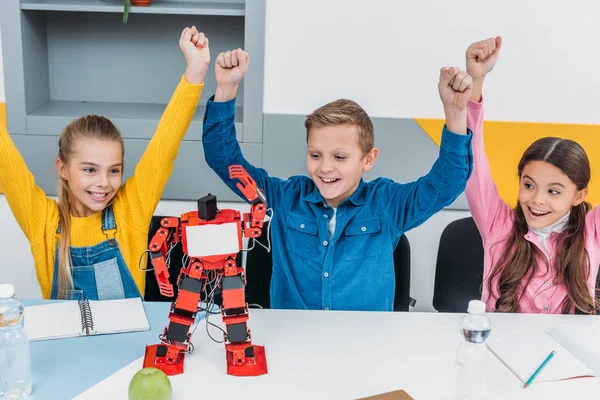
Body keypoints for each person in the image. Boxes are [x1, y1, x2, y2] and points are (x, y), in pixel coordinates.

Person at [202, 48, 473, 311]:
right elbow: (224, 160)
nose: (325, 168)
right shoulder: (286, 198)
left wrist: (456, 113)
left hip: (364, 344)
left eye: (340, 157)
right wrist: (226, 90)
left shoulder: (387, 204)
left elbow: (446, 184)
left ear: (368, 159)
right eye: (316, 155)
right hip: (294, 340)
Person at [0, 26, 210, 300]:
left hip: (129, 342)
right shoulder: (43, 221)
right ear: (62, 168)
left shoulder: (131, 209)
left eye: (114, 171)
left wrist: (196, 69)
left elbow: (165, 145)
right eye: (89, 169)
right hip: (66, 343)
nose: (103, 182)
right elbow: (9, 168)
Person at [465, 36, 599, 313]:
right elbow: (472, 157)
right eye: (529, 185)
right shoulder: (497, 225)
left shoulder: (591, 230)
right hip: (500, 350)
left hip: (565, 353)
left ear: (579, 196)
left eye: (553, 191)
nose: (536, 200)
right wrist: (475, 82)